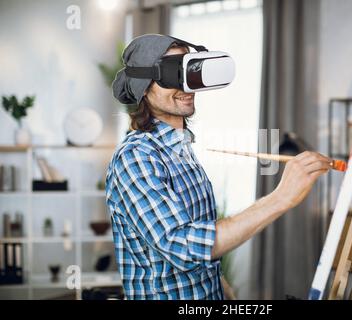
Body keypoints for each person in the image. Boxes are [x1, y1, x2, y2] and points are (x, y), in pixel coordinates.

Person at [106, 34, 332, 300]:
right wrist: (281, 198)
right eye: (171, 75)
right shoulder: (136, 158)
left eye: (188, 71)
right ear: (143, 87)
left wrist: (218, 282)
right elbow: (181, 244)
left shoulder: (180, 149)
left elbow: (197, 232)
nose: (186, 87)